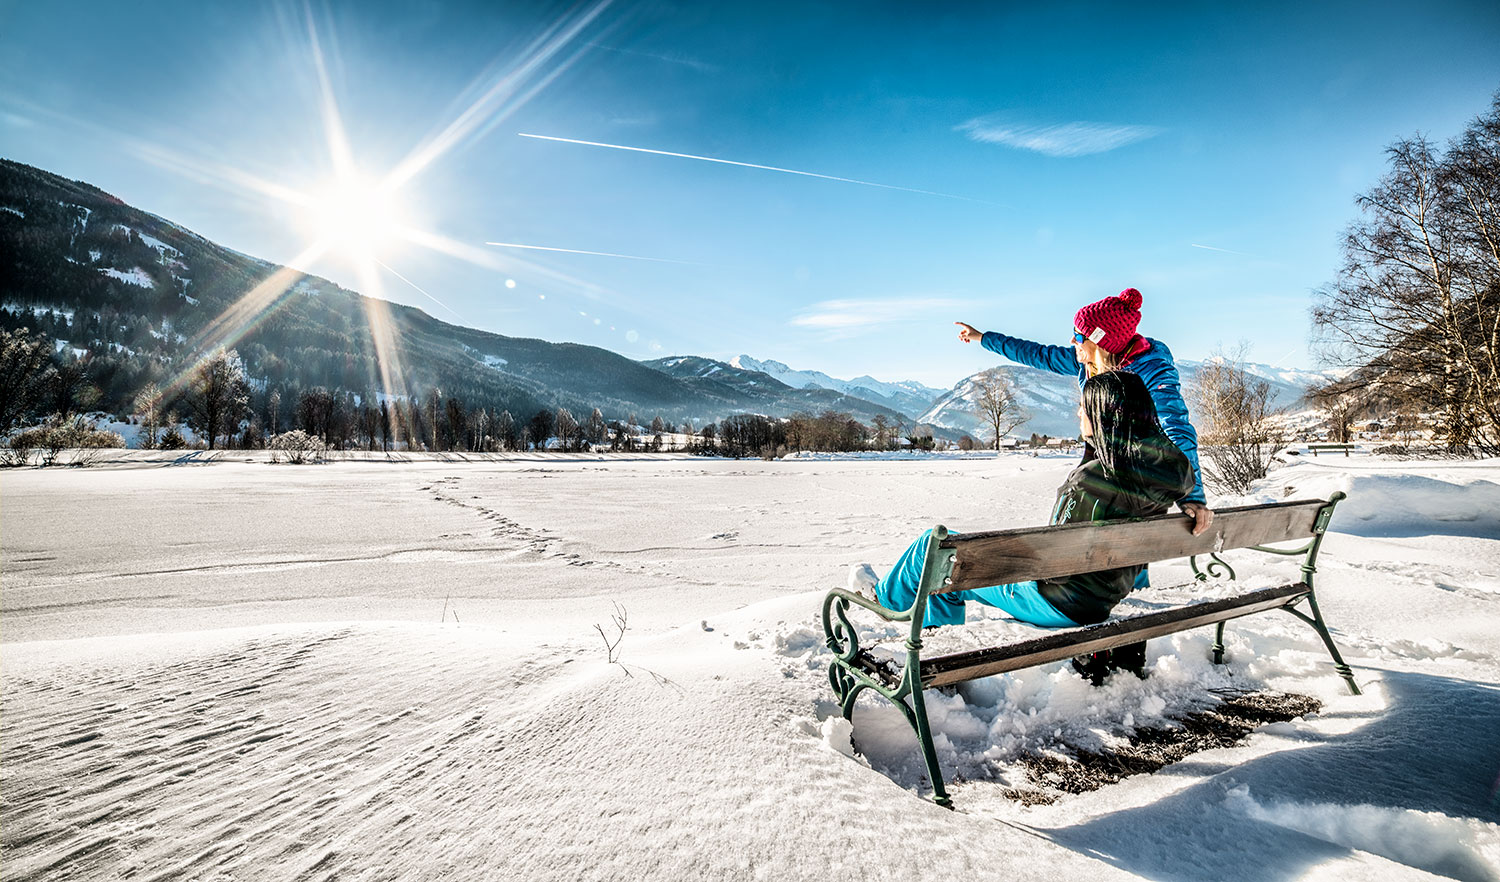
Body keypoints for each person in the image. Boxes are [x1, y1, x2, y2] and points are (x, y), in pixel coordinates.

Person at [874, 371, 1195, 645]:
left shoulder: (1093, 480)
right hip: (1104, 597)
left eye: (1083, 408)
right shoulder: (1168, 474)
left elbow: (1053, 562)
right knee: (955, 564)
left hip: (1057, 602)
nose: (1078, 415)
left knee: (939, 558)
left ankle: (887, 604)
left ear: (1103, 415)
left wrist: (1007, 561)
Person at [955, 287, 1213, 538]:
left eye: (1079, 336)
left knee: (1119, 530)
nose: (1072, 341)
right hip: (1104, 465)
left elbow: (1176, 427)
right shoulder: (1085, 363)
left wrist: (1193, 498)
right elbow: (1036, 354)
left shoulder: (1151, 371)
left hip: (1139, 475)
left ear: (1100, 341)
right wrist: (983, 338)